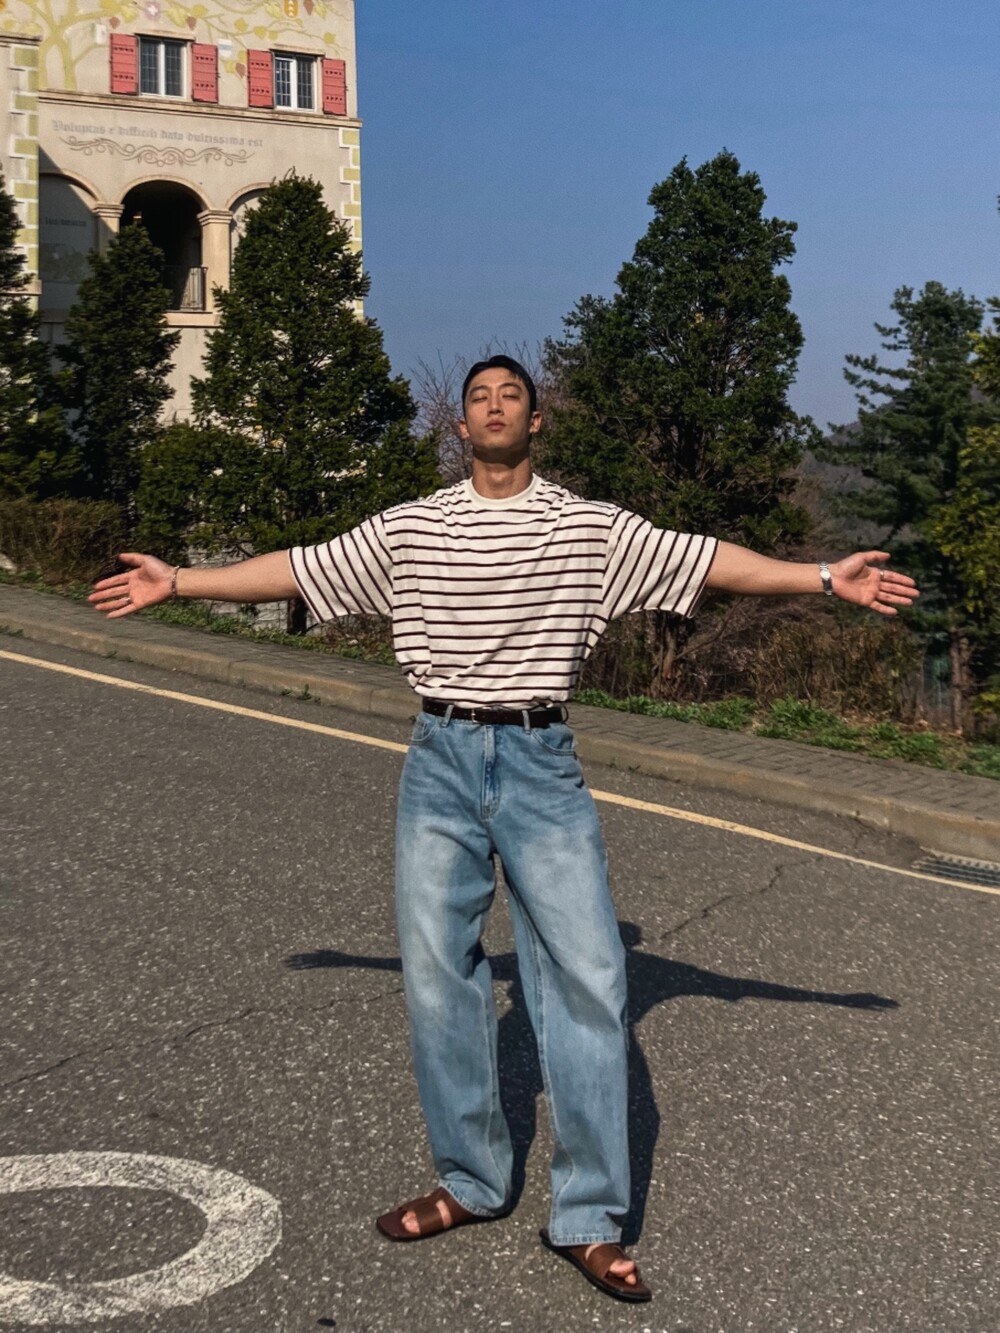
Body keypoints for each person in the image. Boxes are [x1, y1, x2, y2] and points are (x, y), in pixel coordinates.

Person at [90, 355, 919, 1303]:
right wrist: (179, 581)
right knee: (437, 974)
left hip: (540, 763)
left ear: (535, 420)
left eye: (510, 395)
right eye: (478, 396)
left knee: (593, 980)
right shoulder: (414, 525)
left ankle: (589, 1217)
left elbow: (706, 558)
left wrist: (825, 575)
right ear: (461, 426)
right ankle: (472, 1180)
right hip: (438, 756)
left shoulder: (585, 527)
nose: (492, 406)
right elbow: (301, 565)